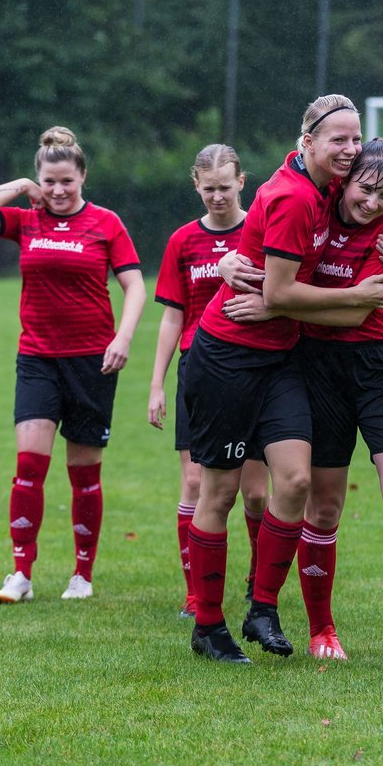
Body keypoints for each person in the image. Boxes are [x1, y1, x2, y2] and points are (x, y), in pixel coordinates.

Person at [182, 94, 383, 664]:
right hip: (228, 356)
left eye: (355, 138)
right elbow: (281, 292)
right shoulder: (291, 195)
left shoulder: (331, 185)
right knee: (221, 490)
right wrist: (352, 295)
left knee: (294, 483)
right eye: (338, 139)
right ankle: (208, 626)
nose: (350, 149)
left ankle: (262, 609)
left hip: (283, 356)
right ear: (305, 141)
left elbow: (376, 205)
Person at [222, 139, 383, 666]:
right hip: (317, 371)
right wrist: (235, 263)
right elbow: (263, 231)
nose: (371, 202)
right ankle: (322, 629)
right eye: (364, 189)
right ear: (342, 183)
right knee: (323, 507)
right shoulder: (311, 204)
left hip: (382, 369)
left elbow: (356, 314)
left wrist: (276, 308)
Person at [0, 126, 147, 604]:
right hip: (37, 358)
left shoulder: (106, 223)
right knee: (28, 466)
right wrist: (21, 188)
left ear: (83, 177)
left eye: (68, 181)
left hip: (93, 362)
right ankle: (20, 573)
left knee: (84, 473)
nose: (59, 190)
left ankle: (82, 575)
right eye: (50, 181)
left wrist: (122, 338)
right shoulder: (27, 221)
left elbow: (135, 287)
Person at [148, 144, 268, 618]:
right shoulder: (182, 241)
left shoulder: (259, 233)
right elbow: (173, 317)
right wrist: (157, 383)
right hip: (198, 371)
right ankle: (197, 592)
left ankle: (259, 581)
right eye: (208, 188)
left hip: (253, 367)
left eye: (225, 187)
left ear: (243, 183)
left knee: (256, 492)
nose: (217, 197)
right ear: (195, 186)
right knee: (195, 484)